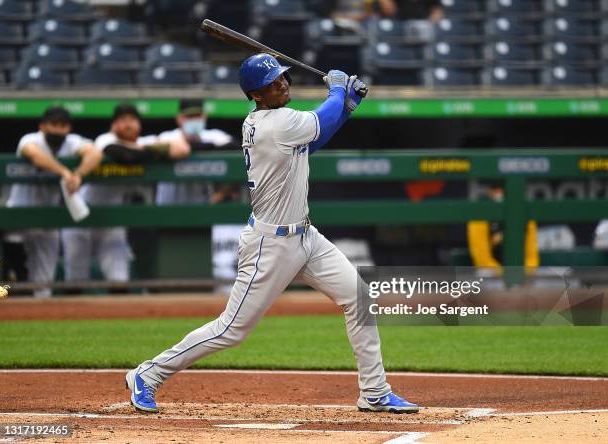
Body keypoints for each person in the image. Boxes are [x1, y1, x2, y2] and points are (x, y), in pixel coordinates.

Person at [125, 54, 419, 414]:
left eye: (282, 78)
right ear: (256, 96)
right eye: (271, 83)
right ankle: (148, 374)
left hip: (305, 237)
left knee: (358, 297)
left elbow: (312, 141)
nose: (282, 84)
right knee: (232, 330)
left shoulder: (279, 124)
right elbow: (318, 120)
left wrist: (347, 108)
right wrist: (338, 92)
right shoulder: (274, 122)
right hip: (271, 244)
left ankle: (374, 391)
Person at [61, 104, 189, 284]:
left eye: (132, 120)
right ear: (113, 125)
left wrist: (142, 149)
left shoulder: (143, 142)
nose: (128, 124)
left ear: (139, 125)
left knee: (119, 280)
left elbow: (182, 149)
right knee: (75, 280)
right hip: (83, 215)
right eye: (123, 120)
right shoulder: (105, 139)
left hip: (113, 220)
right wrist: (155, 151)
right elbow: (124, 156)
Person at [6, 106, 102, 297]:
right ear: (42, 126)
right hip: (19, 216)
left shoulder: (72, 142)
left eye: (63, 125)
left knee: (43, 285)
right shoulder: (31, 139)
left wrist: (79, 174)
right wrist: (64, 172)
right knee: (16, 280)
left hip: (49, 219)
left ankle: (38, 319)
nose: (59, 130)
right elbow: (34, 154)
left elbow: (95, 154)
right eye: (54, 125)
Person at [155, 99, 245, 295]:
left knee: (202, 281)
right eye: (189, 116)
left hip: (203, 219)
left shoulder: (214, 136)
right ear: (179, 118)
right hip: (169, 218)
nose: (193, 120)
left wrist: (221, 194)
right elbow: (174, 148)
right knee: (171, 281)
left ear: (204, 117)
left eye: (197, 116)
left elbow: (235, 151)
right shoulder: (167, 137)